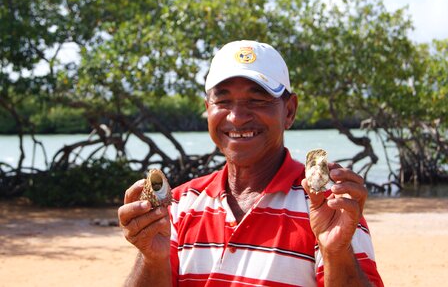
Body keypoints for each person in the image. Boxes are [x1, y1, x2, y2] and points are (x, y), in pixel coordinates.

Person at [118, 40, 383, 286]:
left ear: (289, 111)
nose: (237, 117)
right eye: (222, 100)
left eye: (257, 100)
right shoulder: (179, 205)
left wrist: (337, 252)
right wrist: (151, 258)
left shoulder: (327, 205)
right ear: (207, 109)